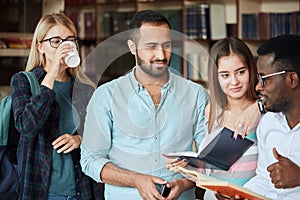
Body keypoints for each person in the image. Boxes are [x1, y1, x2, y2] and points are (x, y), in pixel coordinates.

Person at [80, 10, 210, 200]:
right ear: (132, 47)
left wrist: (183, 184)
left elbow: (207, 159)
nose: (161, 54)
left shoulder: (196, 94)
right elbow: (90, 161)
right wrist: (136, 180)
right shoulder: (106, 96)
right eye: (151, 46)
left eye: (166, 45)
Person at [10, 13, 102, 199]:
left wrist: (80, 140)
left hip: (82, 188)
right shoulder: (23, 81)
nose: (64, 47)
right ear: (40, 46)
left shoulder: (85, 88)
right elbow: (26, 127)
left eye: (69, 40)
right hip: (42, 190)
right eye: (56, 41)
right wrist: (51, 74)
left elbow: (103, 137)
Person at [167, 37, 261, 200]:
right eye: (225, 75)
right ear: (216, 77)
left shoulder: (263, 111)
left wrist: (258, 107)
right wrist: (187, 167)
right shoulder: (212, 112)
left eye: (240, 72)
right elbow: (211, 169)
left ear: (251, 70)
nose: (234, 82)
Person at [235, 34, 300, 200]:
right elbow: (264, 180)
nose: (258, 86)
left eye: (264, 79)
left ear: (292, 79)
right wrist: (238, 195)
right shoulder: (268, 123)